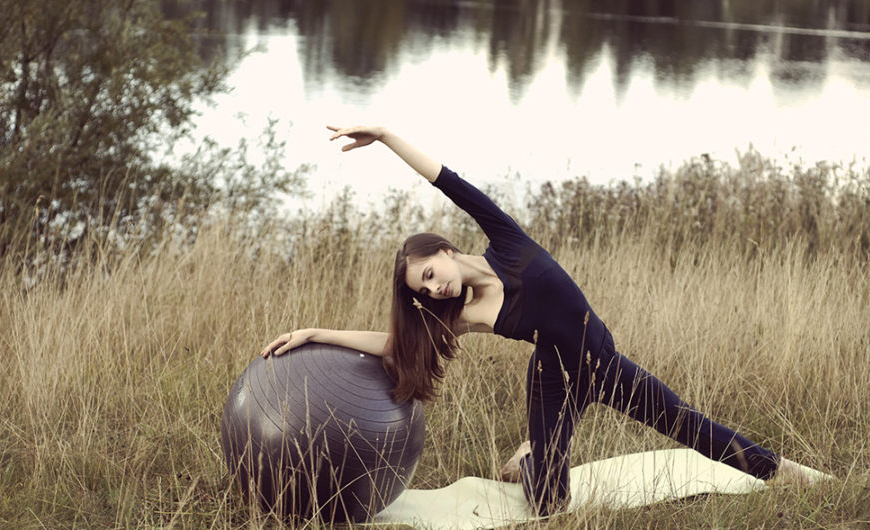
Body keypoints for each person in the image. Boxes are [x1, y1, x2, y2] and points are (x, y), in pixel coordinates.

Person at [260, 125, 814, 515]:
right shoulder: (464, 314)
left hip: (603, 363)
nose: (434, 288)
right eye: (423, 289)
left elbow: (447, 179)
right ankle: (532, 459)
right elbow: (395, 342)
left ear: (445, 250)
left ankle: (785, 471)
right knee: (550, 503)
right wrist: (316, 333)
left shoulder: (507, 243)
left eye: (430, 273)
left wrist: (385, 135)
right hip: (552, 379)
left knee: (688, 424)